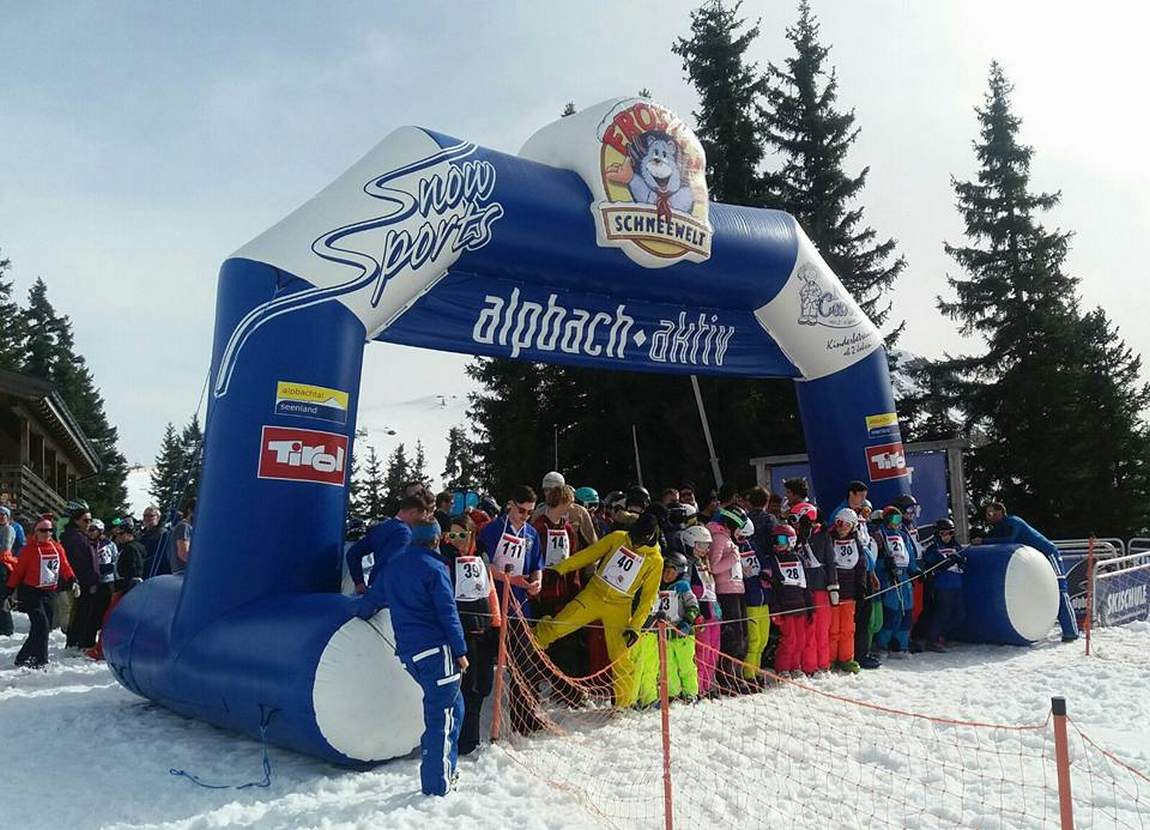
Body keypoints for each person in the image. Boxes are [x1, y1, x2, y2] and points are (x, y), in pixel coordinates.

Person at [366, 520, 467, 796]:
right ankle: (438, 784)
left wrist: (353, 611)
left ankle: (446, 770)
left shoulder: (394, 567)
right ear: (436, 540)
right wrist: (460, 650)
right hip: (438, 651)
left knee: (454, 705)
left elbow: (371, 601)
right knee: (441, 715)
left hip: (410, 653)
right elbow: (448, 613)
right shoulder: (435, 568)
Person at [534, 511, 663, 709]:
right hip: (593, 594)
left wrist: (635, 627)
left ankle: (623, 705)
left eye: (639, 541)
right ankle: (530, 645)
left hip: (620, 606)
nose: (634, 543)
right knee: (558, 626)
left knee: (620, 657)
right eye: (634, 537)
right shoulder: (618, 537)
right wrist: (560, 568)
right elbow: (588, 554)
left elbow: (648, 598)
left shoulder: (655, 560)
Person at [476, 486, 544, 732]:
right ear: (511, 505)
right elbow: (483, 564)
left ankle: (524, 719)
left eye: (529, 512)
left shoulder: (531, 534)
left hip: (519, 608)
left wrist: (537, 582)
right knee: (484, 664)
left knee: (524, 664)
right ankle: (478, 723)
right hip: (492, 605)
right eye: (521, 510)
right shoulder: (491, 530)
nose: (524, 516)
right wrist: (508, 579)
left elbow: (537, 564)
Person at [439, 514, 500, 756]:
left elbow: (491, 591)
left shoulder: (482, 556)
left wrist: (497, 623)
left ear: (471, 534)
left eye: (462, 534)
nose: (457, 540)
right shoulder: (445, 559)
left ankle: (471, 739)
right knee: (467, 686)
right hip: (461, 630)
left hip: (484, 627)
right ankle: (464, 741)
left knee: (483, 685)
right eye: (452, 535)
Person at [979, 501, 1078, 642]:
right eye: (987, 514)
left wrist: (983, 541)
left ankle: (1071, 631)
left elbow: (1009, 539)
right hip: (1034, 561)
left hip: (1048, 554)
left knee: (1060, 589)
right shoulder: (998, 527)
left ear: (999, 512)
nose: (988, 517)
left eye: (991, 513)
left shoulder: (1013, 522)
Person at [530, 485, 586, 697]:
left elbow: (574, 560)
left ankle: (565, 690)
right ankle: (535, 684)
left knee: (566, 644)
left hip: (563, 594)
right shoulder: (538, 528)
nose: (570, 508)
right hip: (542, 594)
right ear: (561, 502)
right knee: (540, 642)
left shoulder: (568, 529)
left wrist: (575, 588)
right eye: (569, 503)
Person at [3, 519, 74, 668]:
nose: (46, 533)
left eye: (49, 530)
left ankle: (23, 657)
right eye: (43, 530)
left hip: (49, 592)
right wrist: (8, 591)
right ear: (36, 532)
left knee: (41, 628)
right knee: (42, 624)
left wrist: (72, 579)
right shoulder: (29, 550)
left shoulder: (57, 548)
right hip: (31, 592)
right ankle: (41, 661)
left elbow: (65, 566)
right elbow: (18, 572)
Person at [634, 551, 700, 706]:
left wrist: (687, 622)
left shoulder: (682, 587)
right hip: (665, 635)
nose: (668, 575)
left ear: (680, 573)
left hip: (682, 634)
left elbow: (693, 606)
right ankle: (673, 693)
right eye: (666, 570)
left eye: (672, 572)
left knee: (686, 665)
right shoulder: (657, 586)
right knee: (668, 666)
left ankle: (691, 693)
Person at [812, 508, 868, 673]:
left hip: (849, 592)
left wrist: (861, 587)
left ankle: (846, 658)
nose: (842, 528)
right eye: (839, 523)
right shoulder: (829, 539)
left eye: (846, 525)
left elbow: (861, 565)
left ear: (853, 526)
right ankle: (830, 658)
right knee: (833, 628)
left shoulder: (856, 542)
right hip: (833, 591)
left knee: (848, 628)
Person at [347, 496, 429, 601]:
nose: (420, 523)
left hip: (374, 589)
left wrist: (359, 582)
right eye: (421, 518)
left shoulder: (383, 527)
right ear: (413, 512)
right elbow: (391, 563)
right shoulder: (404, 534)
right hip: (390, 594)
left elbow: (353, 553)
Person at [706, 505, 750, 693]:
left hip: (737, 589)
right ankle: (725, 677)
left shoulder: (727, 539)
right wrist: (733, 558)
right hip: (726, 592)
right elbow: (714, 567)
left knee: (743, 635)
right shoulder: (718, 538)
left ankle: (737, 675)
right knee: (732, 636)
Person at [790, 501, 833, 674]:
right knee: (808, 629)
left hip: (821, 587)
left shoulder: (823, 535)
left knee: (822, 628)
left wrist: (833, 585)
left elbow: (830, 561)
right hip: (804, 588)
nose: (794, 524)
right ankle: (809, 665)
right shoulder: (796, 537)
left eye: (796, 519)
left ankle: (823, 664)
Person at [873, 506, 918, 657]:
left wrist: (914, 569)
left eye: (899, 519)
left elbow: (909, 554)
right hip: (889, 578)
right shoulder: (880, 535)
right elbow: (874, 558)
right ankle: (883, 644)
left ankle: (901, 645)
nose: (897, 522)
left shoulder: (903, 536)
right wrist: (883, 565)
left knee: (906, 612)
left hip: (904, 578)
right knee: (891, 613)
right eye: (894, 519)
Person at [767, 523, 810, 677]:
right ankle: (783, 668)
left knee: (800, 639)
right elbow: (773, 588)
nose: (777, 543)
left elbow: (806, 584)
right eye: (775, 540)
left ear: (791, 541)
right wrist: (775, 609)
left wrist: (810, 607)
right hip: (785, 607)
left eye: (781, 540)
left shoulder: (799, 559)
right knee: (789, 639)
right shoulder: (773, 560)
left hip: (800, 605)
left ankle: (795, 666)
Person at [683, 524, 720, 696]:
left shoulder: (705, 562)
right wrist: (694, 611)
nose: (705, 549)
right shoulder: (688, 564)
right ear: (691, 543)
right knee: (702, 651)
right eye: (701, 545)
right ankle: (699, 686)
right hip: (701, 612)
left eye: (708, 545)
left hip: (713, 610)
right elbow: (687, 588)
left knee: (714, 649)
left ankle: (708, 683)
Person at [922, 518, 966, 651]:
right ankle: (932, 640)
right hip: (942, 585)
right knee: (942, 613)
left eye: (950, 533)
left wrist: (960, 560)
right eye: (943, 533)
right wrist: (947, 562)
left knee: (960, 614)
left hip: (956, 584)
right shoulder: (934, 548)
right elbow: (931, 563)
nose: (947, 536)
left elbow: (963, 563)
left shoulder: (956, 546)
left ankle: (942, 635)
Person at [63, 505, 100, 649]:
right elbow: (80, 563)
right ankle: (75, 643)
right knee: (80, 614)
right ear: (76, 520)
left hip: (85, 580)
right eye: (86, 520)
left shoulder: (81, 536)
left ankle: (76, 642)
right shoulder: (74, 538)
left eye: (90, 520)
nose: (89, 523)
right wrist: (90, 581)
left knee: (82, 613)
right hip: (81, 582)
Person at [853, 500, 883, 670]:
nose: (865, 515)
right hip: (857, 576)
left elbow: (869, 555)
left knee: (866, 617)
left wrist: (872, 574)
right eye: (863, 511)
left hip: (867, 573)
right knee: (860, 618)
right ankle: (857, 654)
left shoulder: (866, 529)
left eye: (868, 511)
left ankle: (863, 652)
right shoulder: (854, 527)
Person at [538, 472, 598, 548]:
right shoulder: (539, 512)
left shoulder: (579, 512)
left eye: (552, 490)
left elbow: (593, 542)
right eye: (545, 490)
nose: (548, 493)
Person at [166, 500, 194, 576]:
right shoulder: (184, 527)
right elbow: (184, 554)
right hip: (183, 572)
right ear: (190, 511)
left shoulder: (187, 527)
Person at [0, 507, 16, 636]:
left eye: (3, 514)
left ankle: (7, 628)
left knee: (2, 597)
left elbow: (5, 547)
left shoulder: (8, 529)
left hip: (4, 565)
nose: (0, 517)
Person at [138, 505, 165, 576]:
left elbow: (161, 555)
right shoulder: (141, 534)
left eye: (151, 516)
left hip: (156, 572)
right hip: (142, 570)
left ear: (158, 518)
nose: (147, 518)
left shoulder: (163, 534)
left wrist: (142, 562)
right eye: (145, 516)